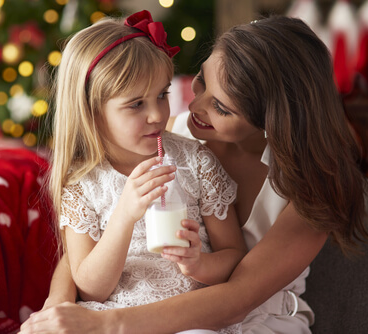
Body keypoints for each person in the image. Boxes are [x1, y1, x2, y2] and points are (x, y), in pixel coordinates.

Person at [20, 15, 368, 334]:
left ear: (272, 123)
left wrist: (103, 324)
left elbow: (233, 301)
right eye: (201, 81)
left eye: (221, 107)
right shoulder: (172, 137)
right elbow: (90, 235)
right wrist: (58, 304)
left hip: (241, 318)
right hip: (139, 310)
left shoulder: (312, 196)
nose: (193, 106)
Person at [29, 10, 247, 334]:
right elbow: (91, 289)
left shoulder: (195, 161)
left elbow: (235, 255)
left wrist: (199, 264)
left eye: (162, 95)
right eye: (136, 105)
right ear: (92, 113)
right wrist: (124, 216)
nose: (157, 115)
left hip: (189, 319)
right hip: (111, 319)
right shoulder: (83, 184)